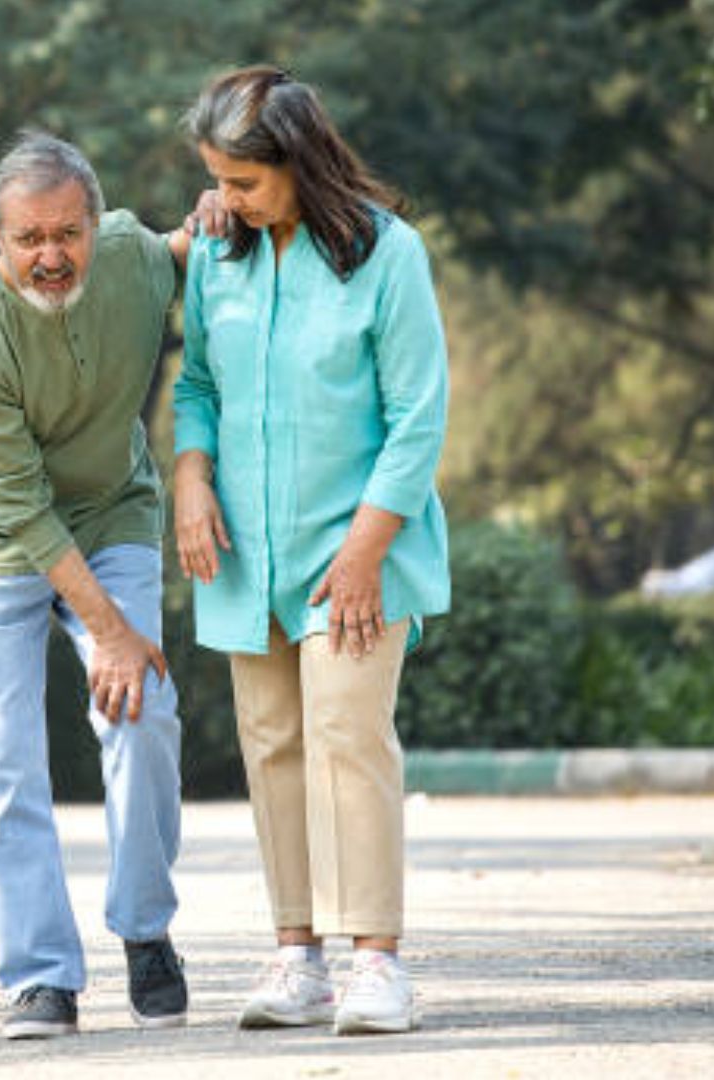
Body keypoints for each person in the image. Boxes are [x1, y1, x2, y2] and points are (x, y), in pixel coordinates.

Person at [172, 66, 451, 1036]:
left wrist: (369, 549)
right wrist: (191, 476)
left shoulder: (388, 255)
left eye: (245, 182)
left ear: (297, 160)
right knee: (273, 745)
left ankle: (378, 960)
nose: (229, 200)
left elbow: (419, 416)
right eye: (221, 181)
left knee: (348, 738)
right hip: (249, 553)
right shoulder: (219, 254)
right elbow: (196, 382)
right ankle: (298, 958)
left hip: (358, 546)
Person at [0, 130, 198, 1040]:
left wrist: (215, 217)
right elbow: (22, 510)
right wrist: (109, 629)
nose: (51, 257)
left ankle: (146, 931)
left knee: (143, 710)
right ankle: (41, 976)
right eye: (28, 239)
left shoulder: (128, 259)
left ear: (94, 222)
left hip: (113, 509)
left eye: (67, 235)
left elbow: (181, 254)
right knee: (4, 762)